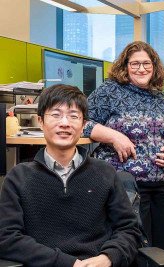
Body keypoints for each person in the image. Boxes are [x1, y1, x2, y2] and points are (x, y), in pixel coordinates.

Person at [0, 84, 140, 267]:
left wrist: (108, 258)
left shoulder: (105, 172)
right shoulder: (18, 178)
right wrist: (67, 263)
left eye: (73, 116)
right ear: (40, 121)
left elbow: (129, 230)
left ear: (83, 126)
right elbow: (7, 238)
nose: (64, 123)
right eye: (56, 115)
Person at [84, 41, 164, 256]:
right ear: (125, 66)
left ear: (154, 67)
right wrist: (114, 136)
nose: (142, 69)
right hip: (128, 184)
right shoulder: (109, 92)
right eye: (135, 64)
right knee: (134, 246)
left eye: (147, 64)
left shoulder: (162, 98)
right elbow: (82, 122)